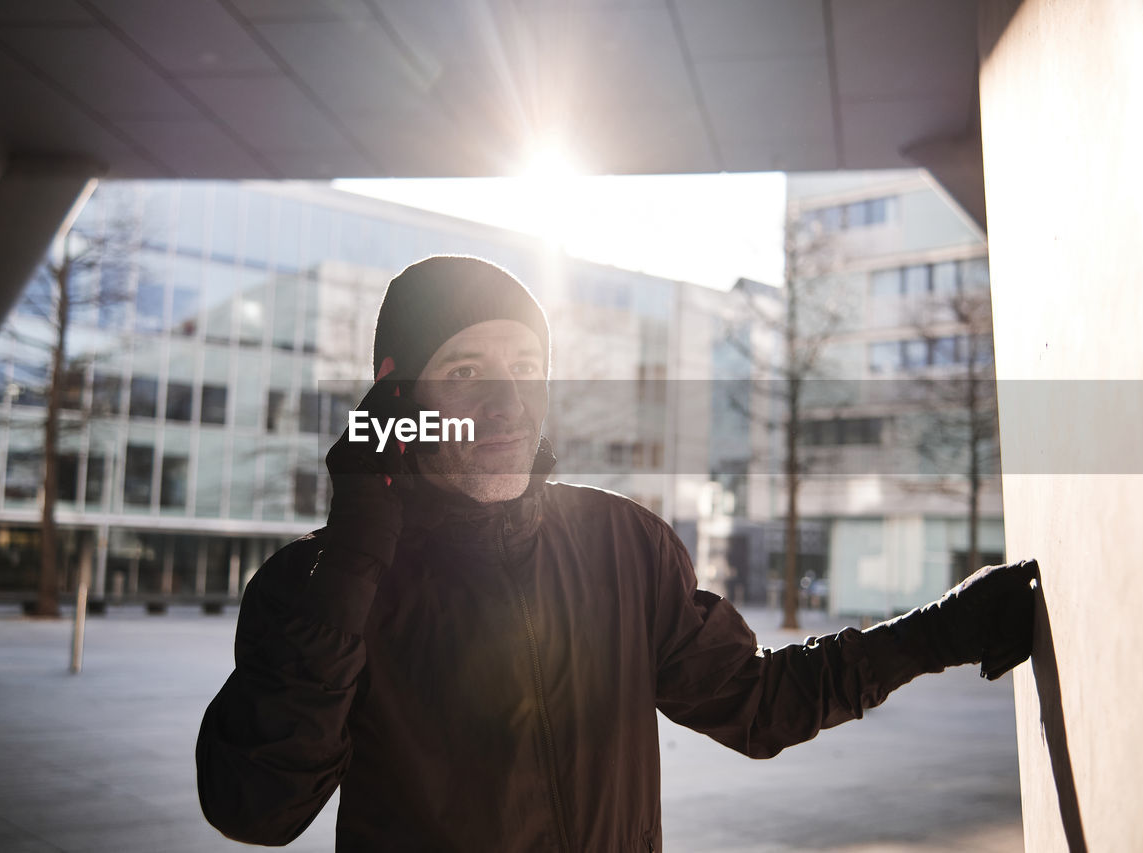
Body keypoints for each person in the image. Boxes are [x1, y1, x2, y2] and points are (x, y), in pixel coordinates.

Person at [196, 255, 1037, 851]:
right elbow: (257, 806)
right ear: (396, 390)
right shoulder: (317, 586)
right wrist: (354, 555)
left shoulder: (622, 545)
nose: (505, 401)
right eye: (465, 370)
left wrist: (942, 630)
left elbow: (757, 703)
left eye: (526, 367)